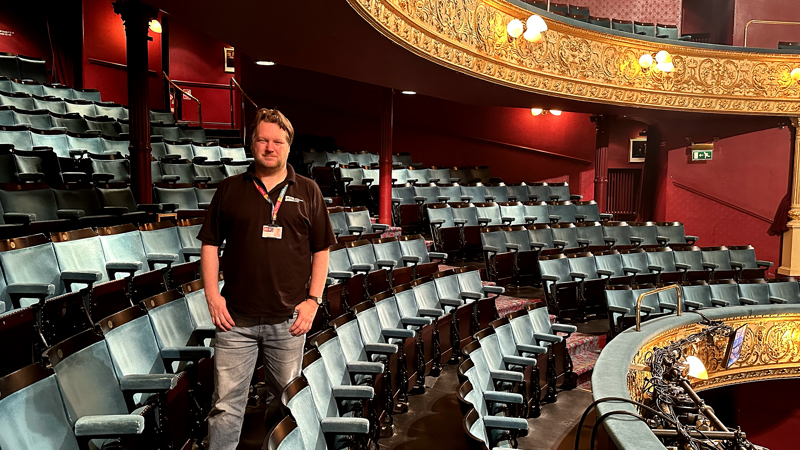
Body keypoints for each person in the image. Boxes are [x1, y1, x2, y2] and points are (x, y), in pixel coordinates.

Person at [197, 108, 336, 450]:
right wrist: (213, 297)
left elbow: (322, 250)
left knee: (286, 404)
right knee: (225, 407)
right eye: (262, 139)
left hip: (289, 320)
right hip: (235, 320)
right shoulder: (230, 189)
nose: (269, 147)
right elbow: (210, 244)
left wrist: (313, 301)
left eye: (277, 141)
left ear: (288, 147)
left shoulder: (309, 191)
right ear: (252, 143)